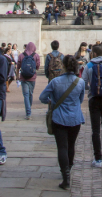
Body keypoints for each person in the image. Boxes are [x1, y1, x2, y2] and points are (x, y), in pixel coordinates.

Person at [40, 55, 86, 190]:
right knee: (71, 145)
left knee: (62, 147)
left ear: (63, 66)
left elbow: (42, 97)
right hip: (75, 118)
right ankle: (69, 169)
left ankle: (65, 177)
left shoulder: (55, 82)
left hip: (59, 118)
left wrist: (53, 101)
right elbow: (81, 99)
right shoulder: (80, 82)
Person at [17, 42, 41, 120]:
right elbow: (37, 67)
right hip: (32, 78)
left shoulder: (21, 55)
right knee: (30, 94)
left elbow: (18, 66)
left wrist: (17, 75)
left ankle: (28, 113)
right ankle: (29, 109)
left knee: (26, 95)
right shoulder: (36, 55)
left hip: (23, 77)